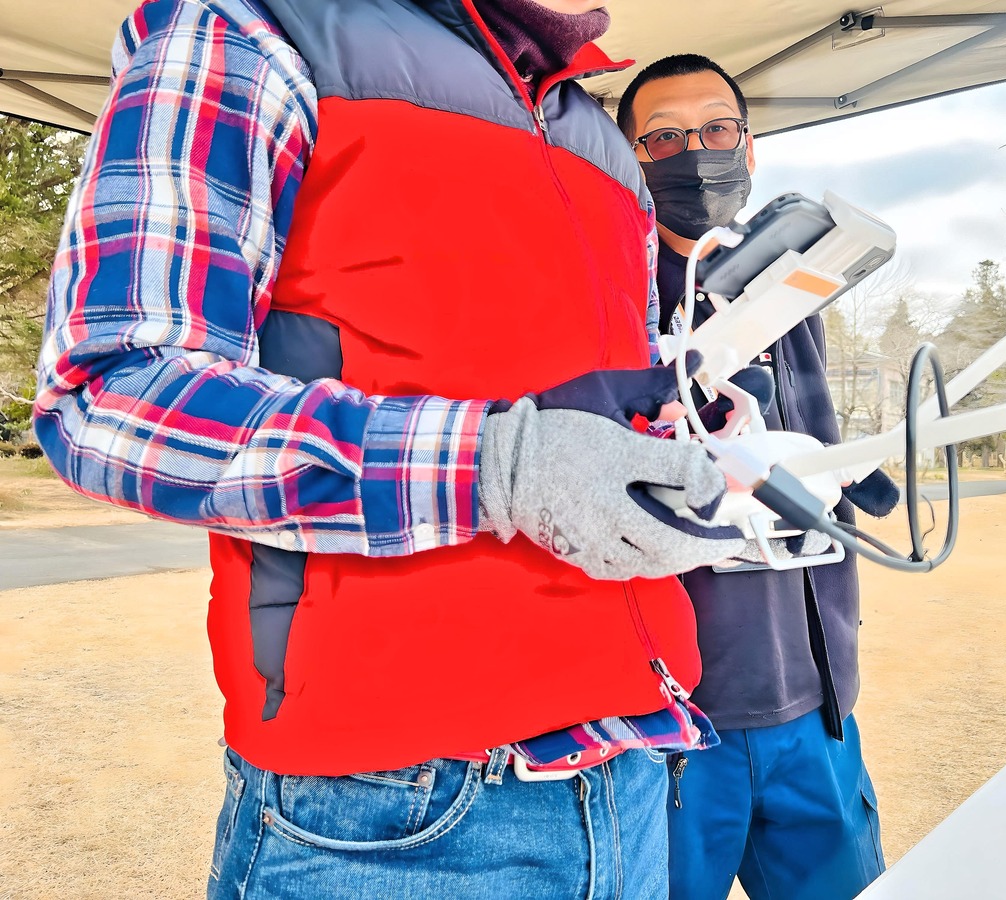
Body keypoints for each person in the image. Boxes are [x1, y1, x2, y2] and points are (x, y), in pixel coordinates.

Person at [35, 4, 756, 898]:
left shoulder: (602, 141)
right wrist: (499, 466)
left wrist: (693, 438)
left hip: (639, 761)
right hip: (399, 806)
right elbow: (112, 394)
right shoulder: (257, 29)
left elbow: (603, 415)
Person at [618, 54, 897, 900]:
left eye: (715, 129)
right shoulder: (610, 299)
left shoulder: (792, 284)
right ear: (628, 163)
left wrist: (860, 478)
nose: (693, 153)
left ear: (750, 146)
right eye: (661, 138)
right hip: (675, 720)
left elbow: (808, 429)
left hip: (814, 705)